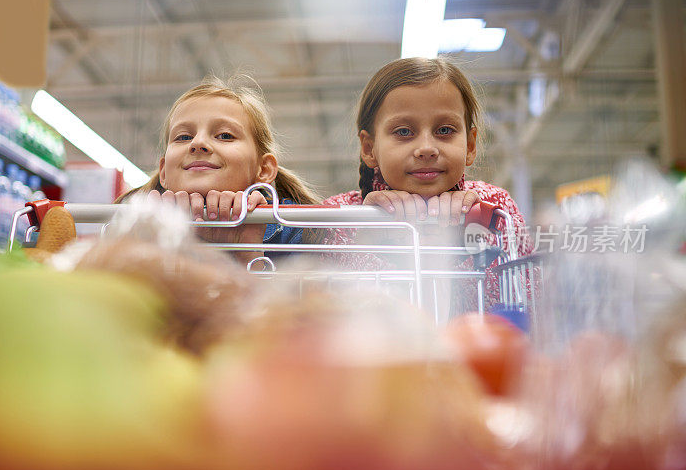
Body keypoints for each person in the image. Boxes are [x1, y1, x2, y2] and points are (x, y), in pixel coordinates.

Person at [323, 57, 533, 313]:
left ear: (470, 145)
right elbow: (322, 319)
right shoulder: (338, 219)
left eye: (444, 130)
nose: (426, 148)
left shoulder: (495, 209)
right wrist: (369, 238)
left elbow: (530, 307)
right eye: (403, 132)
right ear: (369, 148)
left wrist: (466, 243)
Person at [117, 75, 322, 263]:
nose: (197, 143)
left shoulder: (300, 232)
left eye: (224, 135)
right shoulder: (123, 228)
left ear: (265, 169)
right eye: (184, 137)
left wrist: (248, 254)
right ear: (163, 171)